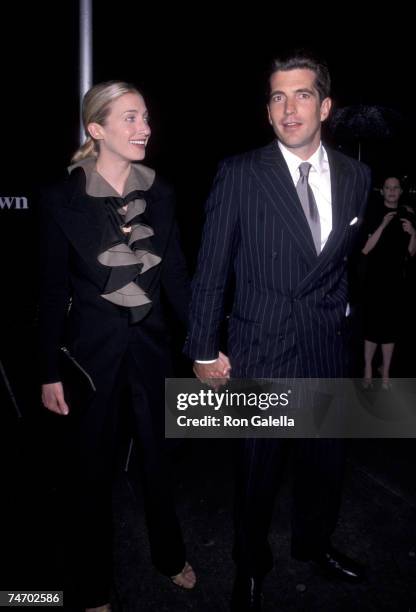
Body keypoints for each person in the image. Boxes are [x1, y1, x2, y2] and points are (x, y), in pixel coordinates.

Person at [185, 51, 371, 611]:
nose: (289, 108)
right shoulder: (240, 173)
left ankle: (314, 546)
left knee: (324, 465)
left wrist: (345, 325)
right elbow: (211, 266)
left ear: (326, 105)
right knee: (256, 475)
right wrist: (200, 349)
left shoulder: (358, 176)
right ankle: (250, 565)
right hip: (261, 348)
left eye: (302, 94)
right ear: (268, 112)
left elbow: (344, 264)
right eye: (277, 97)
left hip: (324, 349)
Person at [38, 81, 196, 611]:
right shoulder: (62, 198)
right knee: (90, 472)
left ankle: (169, 554)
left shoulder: (163, 192)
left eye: (146, 117)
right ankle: (90, 586)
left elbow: (174, 273)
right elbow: (50, 290)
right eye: (130, 118)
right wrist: (46, 370)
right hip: (91, 358)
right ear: (97, 128)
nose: (145, 128)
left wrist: (201, 344)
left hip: (151, 349)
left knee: (158, 457)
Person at [361, 176, 416, 389]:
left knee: (390, 329)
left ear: (401, 191)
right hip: (374, 281)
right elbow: (365, 249)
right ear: (382, 191)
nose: (392, 191)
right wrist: (383, 225)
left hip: (395, 283)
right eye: (388, 188)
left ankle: (386, 372)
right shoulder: (373, 214)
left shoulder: (408, 214)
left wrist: (413, 233)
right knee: (372, 328)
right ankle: (367, 369)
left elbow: (411, 252)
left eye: (396, 188)